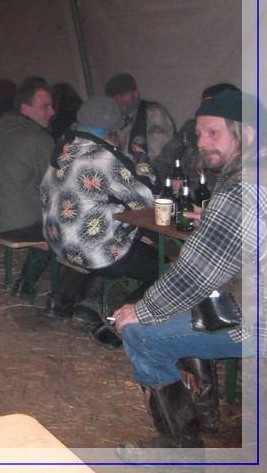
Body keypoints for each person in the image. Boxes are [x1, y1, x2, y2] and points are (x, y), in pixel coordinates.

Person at [112, 88, 265, 459]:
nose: (202, 142)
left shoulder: (244, 187)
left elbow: (199, 271)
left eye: (213, 132)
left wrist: (144, 309)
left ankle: (180, 452)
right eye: (198, 133)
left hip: (257, 318)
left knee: (141, 334)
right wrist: (212, 219)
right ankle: (205, 407)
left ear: (245, 131)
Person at [40, 95, 161, 349]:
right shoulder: (104, 158)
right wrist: (142, 163)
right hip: (89, 248)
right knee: (165, 270)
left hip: (58, 240)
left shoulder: (64, 149)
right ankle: (115, 323)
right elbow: (147, 199)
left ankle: (68, 301)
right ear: (112, 130)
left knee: (106, 233)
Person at [0, 78, 55, 297]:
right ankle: (28, 283)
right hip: (16, 222)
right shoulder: (38, 139)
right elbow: (56, 184)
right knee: (64, 228)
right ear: (25, 108)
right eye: (45, 106)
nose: (52, 111)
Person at [153, 82, 240, 189]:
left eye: (213, 132)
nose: (201, 142)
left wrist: (190, 188)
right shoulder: (189, 129)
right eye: (205, 104)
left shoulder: (244, 169)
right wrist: (169, 182)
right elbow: (161, 163)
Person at [105, 72, 176, 182]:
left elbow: (159, 156)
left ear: (135, 93)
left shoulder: (153, 113)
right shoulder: (113, 119)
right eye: (114, 97)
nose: (119, 100)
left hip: (151, 181)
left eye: (123, 95)